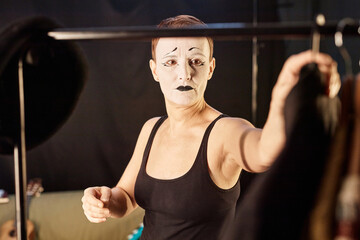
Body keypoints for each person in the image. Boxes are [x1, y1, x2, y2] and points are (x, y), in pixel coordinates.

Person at [81, 15, 339, 239]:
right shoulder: (152, 128)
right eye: (170, 62)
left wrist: (283, 94)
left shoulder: (225, 132)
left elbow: (265, 151)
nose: (184, 73)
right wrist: (104, 201)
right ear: (155, 70)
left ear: (211, 68)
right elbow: (125, 197)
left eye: (196, 61)